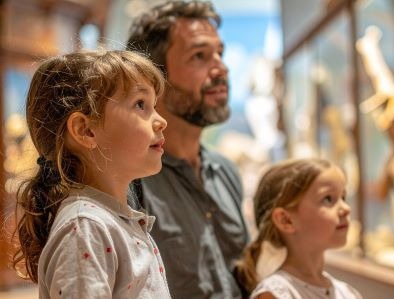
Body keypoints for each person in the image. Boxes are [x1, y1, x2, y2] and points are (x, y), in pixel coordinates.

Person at [12, 50, 171, 298]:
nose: (161, 120)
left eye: (154, 106)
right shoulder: (86, 227)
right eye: (141, 104)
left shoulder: (108, 221)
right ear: (85, 130)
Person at [126, 1, 249, 298]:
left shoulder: (225, 172)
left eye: (220, 53)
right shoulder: (129, 180)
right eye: (200, 56)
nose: (221, 67)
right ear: (154, 76)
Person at [236, 159, 363, 299]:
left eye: (343, 197)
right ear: (286, 220)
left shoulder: (347, 293)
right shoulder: (276, 294)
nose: (346, 208)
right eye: (328, 199)